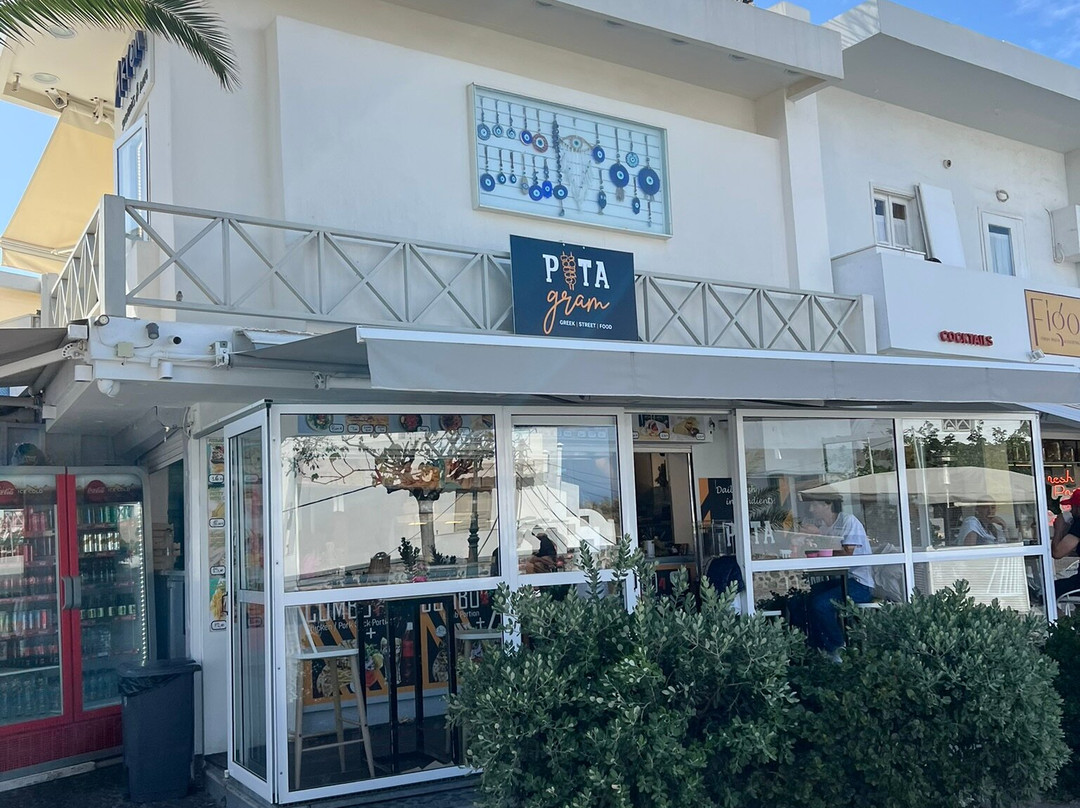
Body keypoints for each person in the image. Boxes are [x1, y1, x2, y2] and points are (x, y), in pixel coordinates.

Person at [804, 496, 874, 658]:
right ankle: (815, 647)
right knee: (801, 596)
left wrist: (819, 537)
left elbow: (847, 553)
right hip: (840, 581)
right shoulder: (824, 527)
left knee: (820, 604)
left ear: (828, 504)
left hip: (860, 584)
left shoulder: (848, 521)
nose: (811, 510)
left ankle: (837, 649)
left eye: (815, 505)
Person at [1051, 490, 1080, 600]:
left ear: (1078, 508)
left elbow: (1057, 553)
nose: (1071, 511)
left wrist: (1058, 529)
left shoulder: (1078, 525)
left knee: (1048, 589)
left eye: (1072, 507)